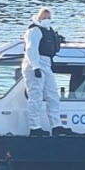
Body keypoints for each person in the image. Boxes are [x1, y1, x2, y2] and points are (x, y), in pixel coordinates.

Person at [22, 7, 71, 136]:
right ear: (39, 17)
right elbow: (31, 49)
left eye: (49, 18)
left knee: (53, 95)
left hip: (47, 64)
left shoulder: (48, 31)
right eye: (44, 17)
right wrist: (35, 67)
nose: (47, 20)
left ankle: (56, 125)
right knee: (35, 97)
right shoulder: (35, 30)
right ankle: (34, 127)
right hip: (35, 63)